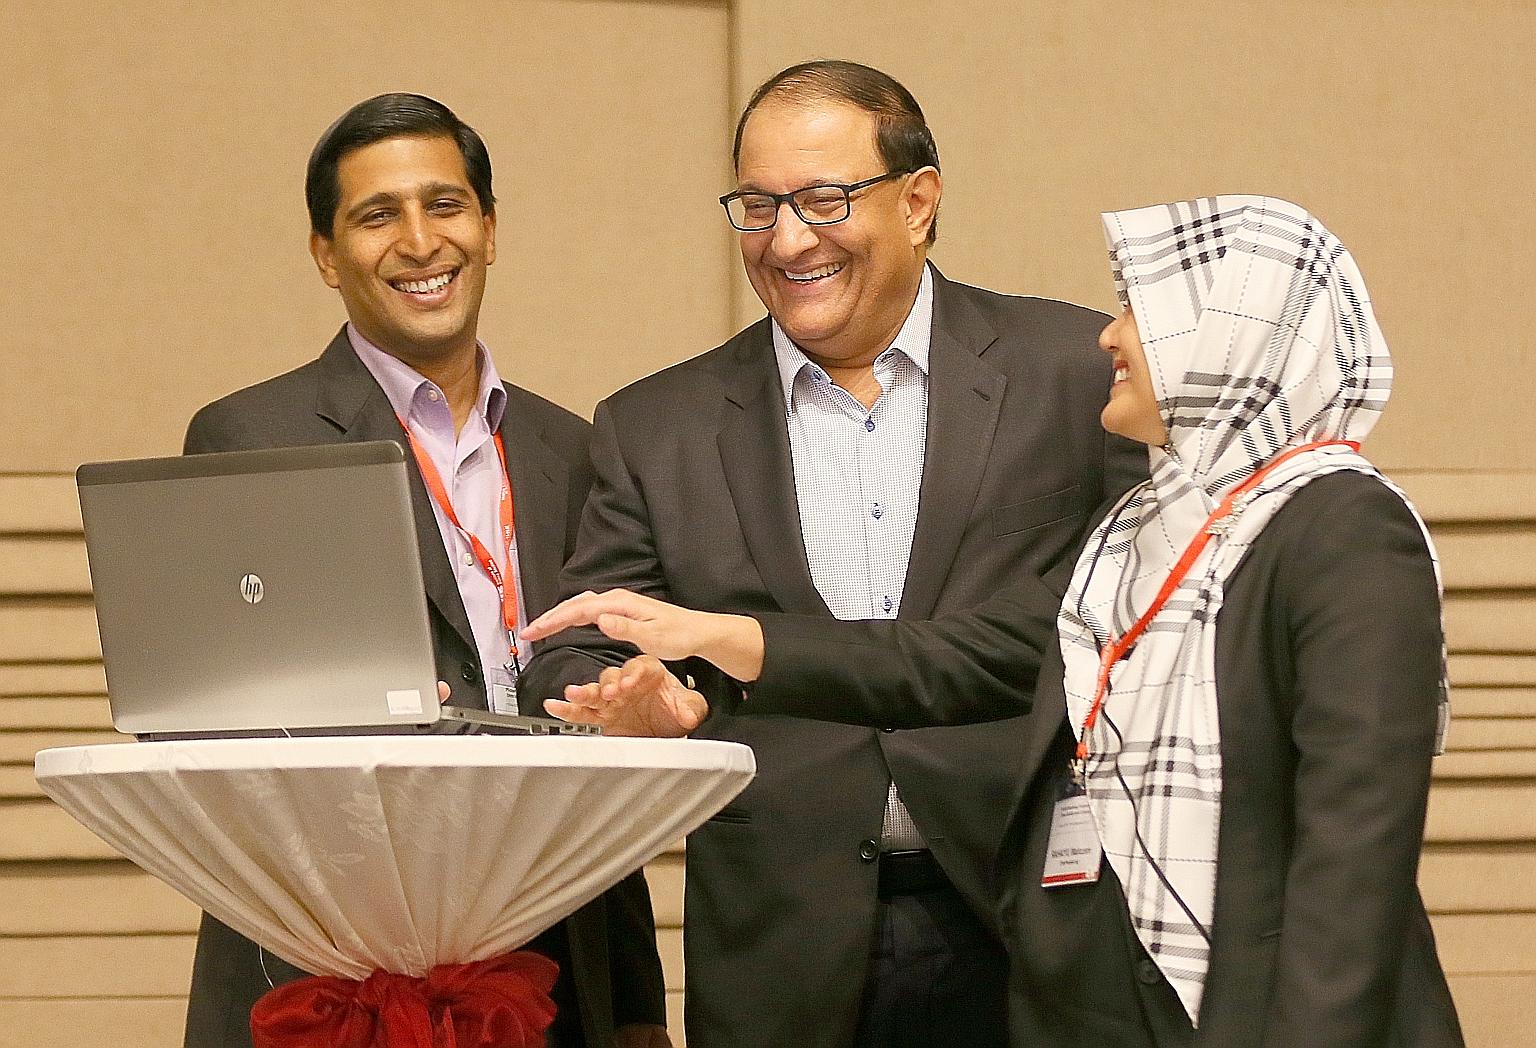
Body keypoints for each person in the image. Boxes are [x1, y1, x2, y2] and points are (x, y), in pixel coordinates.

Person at [525, 195, 1465, 1046]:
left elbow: (1353, 860)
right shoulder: (1157, 525)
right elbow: (965, 661)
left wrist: (735, 639)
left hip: (1260, 996)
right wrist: (718, 649)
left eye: (1141, 309)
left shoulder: (1341, 523)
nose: (1110, 335)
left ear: (1231, 339)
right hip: (1085, 978)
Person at [517, 60, 1145, 1048]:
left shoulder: (1075, 371)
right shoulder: (656, 424)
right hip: (782, 949)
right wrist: (630, 698)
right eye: (757, 206)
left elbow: (1138, 630)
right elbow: (574, 642)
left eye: (823, 198)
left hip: (1037, 922)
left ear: (920, 200)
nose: (788, 238)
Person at [180, 93, 670, 1048]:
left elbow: (598, 734)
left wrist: (639, 1002)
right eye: (377, 215)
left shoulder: (575, 449)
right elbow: (216, 719)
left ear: (489, 228)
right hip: (334, 964)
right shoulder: (252, 438)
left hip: (558, 950)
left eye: (445, 206)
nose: (419, 241)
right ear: (326, 254)